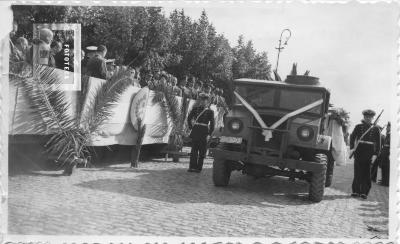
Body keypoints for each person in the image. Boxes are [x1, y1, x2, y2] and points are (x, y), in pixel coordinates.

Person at [350, 109, 381, 199]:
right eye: (366, 117)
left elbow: (378, 143)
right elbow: (352, 137)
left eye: (370, 117)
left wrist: (376, 154)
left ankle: (364, 192)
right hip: (359, 150)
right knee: (358, 172)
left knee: (367, 173)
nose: (368, 118)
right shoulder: (358, 126)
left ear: (372, 118)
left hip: (369, 152)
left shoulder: (376, 128)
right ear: (364, 117)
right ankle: (355, 191)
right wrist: (352, 148)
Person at [187, 93, 215, 173]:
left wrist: (209, 134)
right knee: (194, 151)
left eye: (204, 101)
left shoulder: (210, 111)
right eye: (201, 100)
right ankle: (192, 167)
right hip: (196, 130)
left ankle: (198, 168)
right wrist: (190, 127)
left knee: (202, 151)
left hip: (204, 131)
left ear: (208, 102)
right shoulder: (195, 109)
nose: (202, 102)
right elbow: (189, 118)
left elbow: (212, 124)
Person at [378, 122, 390, 186]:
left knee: (386, 168)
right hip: (384, 153)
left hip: (387, 154)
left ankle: (386, 182)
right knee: (383, 167)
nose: (387, 128)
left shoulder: (390, 135)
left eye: (388, 127)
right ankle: (383, 180)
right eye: (387, 127)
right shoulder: (387, 134)